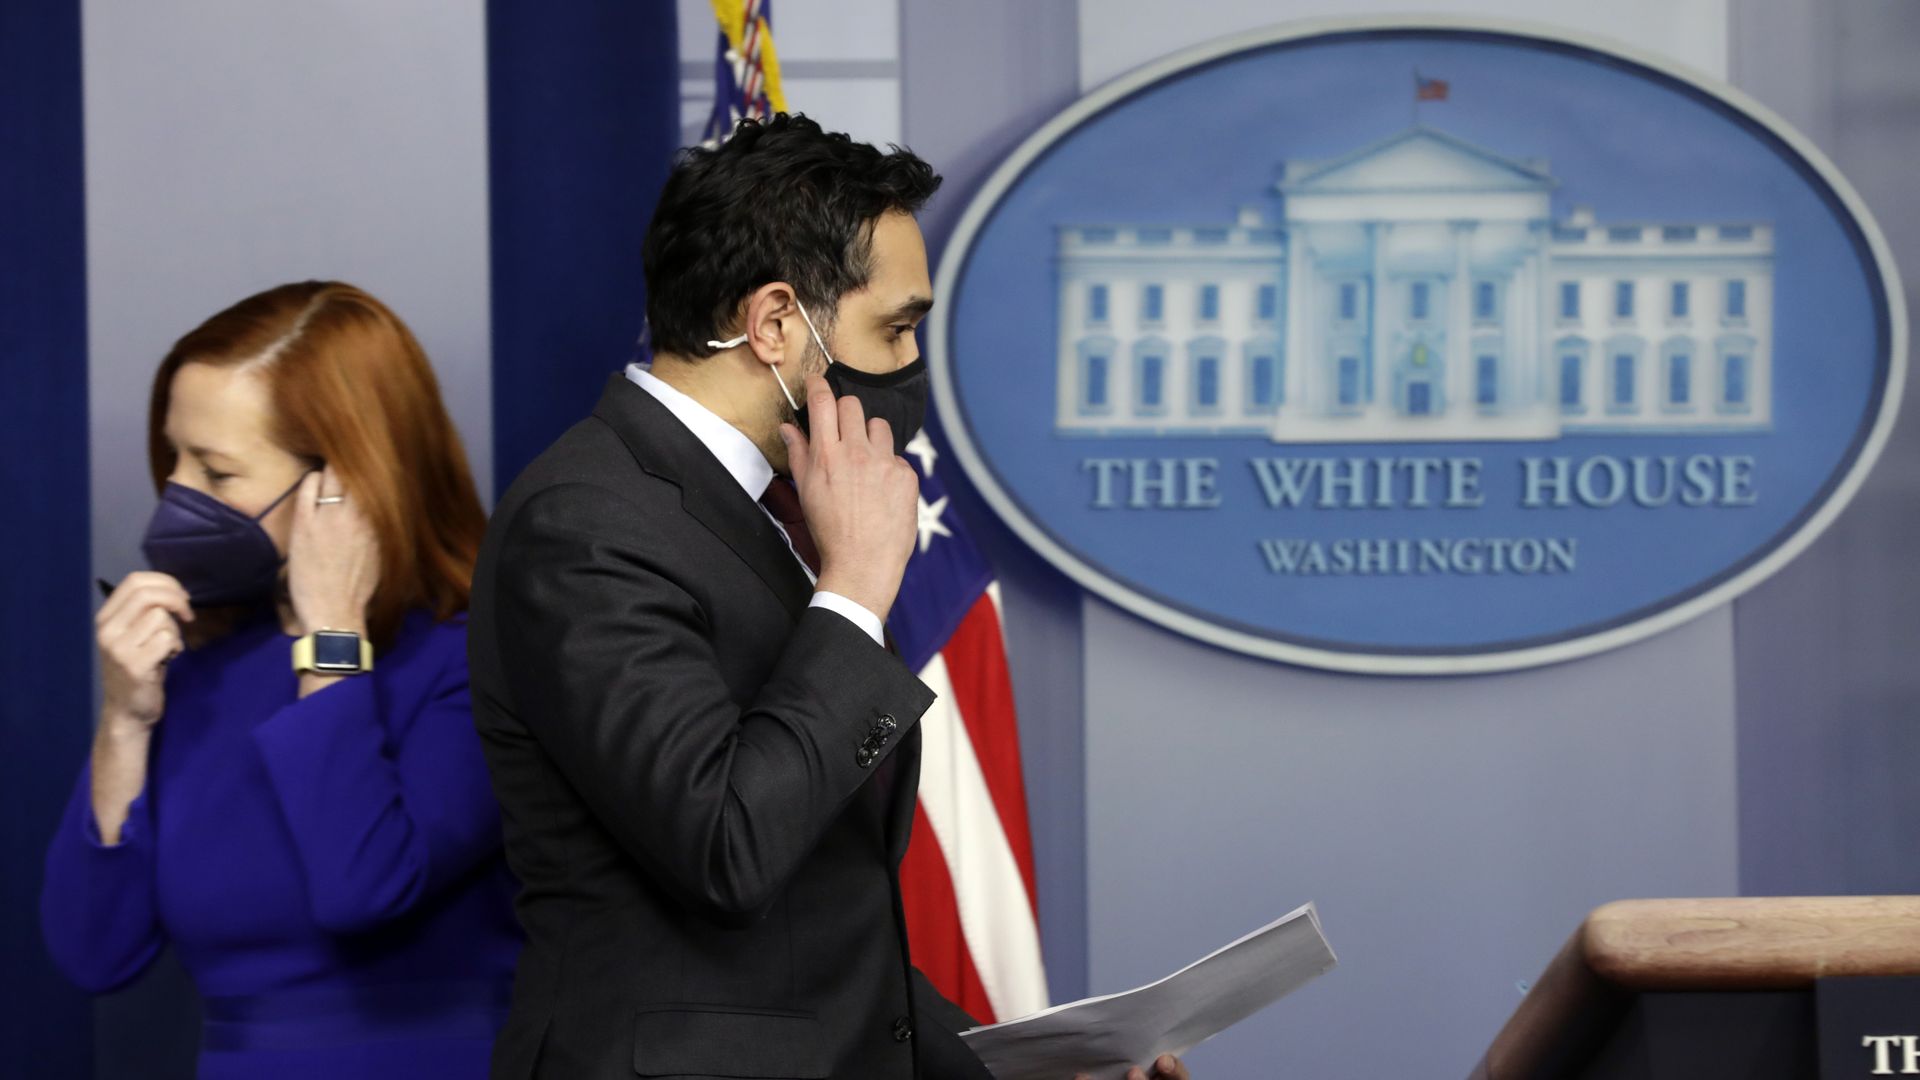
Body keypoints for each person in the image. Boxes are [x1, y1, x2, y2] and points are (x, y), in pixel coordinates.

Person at [468, 115, 1189, 1080]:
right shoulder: (587, 522)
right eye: (892, 329)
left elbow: (829, 935)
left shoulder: (777, 504)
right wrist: (852, 588)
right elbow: (727, 846)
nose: (910, 367)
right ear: (774, 325)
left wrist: (1051, 1071)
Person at [41, 281, 522, 1079]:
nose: (176, 499)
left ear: (348, 485)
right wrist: (124, 723)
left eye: (217, 473)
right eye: (175, 459)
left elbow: (363, 889)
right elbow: (95, 952)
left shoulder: (477, 659)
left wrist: (331, 635)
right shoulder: (198, 672)